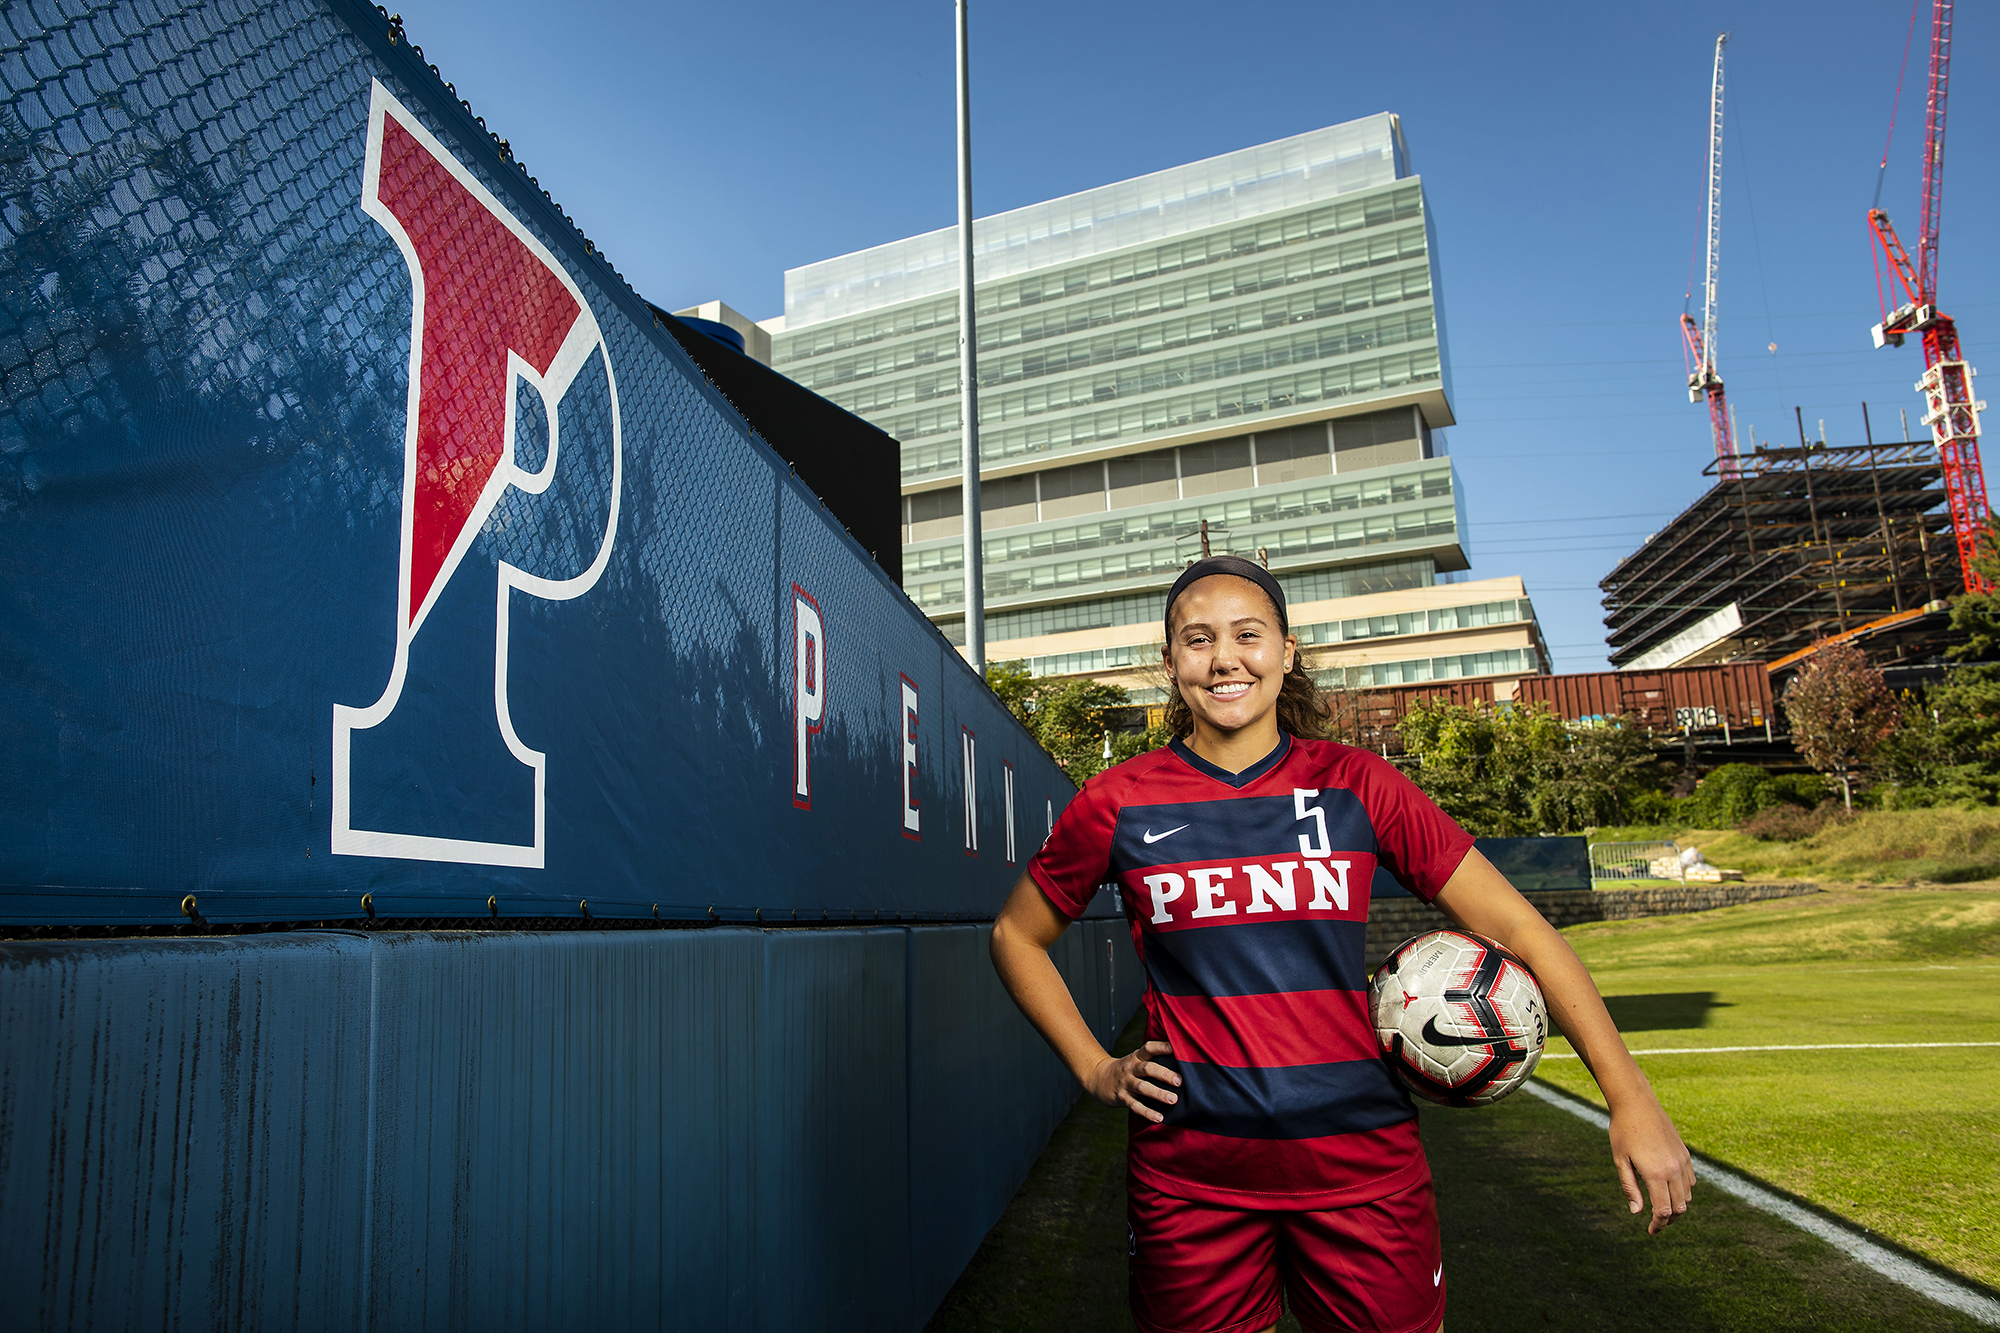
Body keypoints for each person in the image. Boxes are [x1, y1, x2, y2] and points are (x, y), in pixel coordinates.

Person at [990, 555, 1693, 1333]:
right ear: (1170, 662)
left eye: (1248, 635)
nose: (1225, 657)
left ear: (1287, 652)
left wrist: (1632, 1101)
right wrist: (1095, 1066)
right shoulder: (1118, 801)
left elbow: (1520, 929)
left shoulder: (1359, 785)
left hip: (1365, 1169)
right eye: (1198, 639)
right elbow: (1017, 935)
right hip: (1191, 1178)